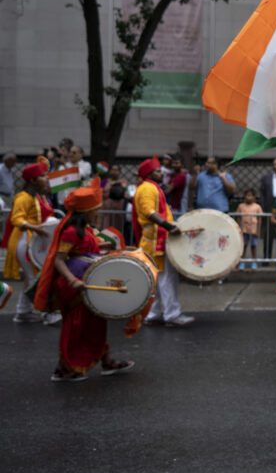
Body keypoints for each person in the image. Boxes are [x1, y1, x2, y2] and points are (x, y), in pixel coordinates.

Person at [32, 179, 135, 381]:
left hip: (89, 278)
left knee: (95, 324)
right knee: (76, 326)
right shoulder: (70, 231)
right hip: (76, 285)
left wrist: (114, 249)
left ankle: (106, 361)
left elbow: (85, 250)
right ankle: (64, 369)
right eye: (95, 208)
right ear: (86, 211)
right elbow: (60, 260)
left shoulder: (85, 228)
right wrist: (73, 281)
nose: (97, 211)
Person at [135, 156, 193, 327]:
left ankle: (152, 314)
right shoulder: (147, 189)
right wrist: (169, 226)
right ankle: (172, 315)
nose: (162, 173)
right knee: (167, 278)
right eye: (158, 170)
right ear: (149, 173)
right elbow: (149, 212)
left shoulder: (152, 188)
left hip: (154, 240)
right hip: (156, 242)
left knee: (156, 280)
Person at [2, 162, 60, 324]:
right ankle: (46, 312)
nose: (46, 178)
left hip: (36, 241)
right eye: (42, 176)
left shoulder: (41, 197)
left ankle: (23, 311)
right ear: (33, 180)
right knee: (38, 279)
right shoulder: (24, 197)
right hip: (24, 241)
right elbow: (16, 219)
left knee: (31, 279)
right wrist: (36, 228)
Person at [237, 190, 262, 269]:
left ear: (254, 197)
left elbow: (260, 219)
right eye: (247, 195)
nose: (249, 197)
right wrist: (238, 229)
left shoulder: (257, 206)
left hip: (253, 230)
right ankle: (242, 261)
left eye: (250, 195)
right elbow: (238, 217)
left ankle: (254, 261)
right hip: (244, 230)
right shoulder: (241, 206)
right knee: (244, 246)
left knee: (253, 246)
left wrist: (258, 230)